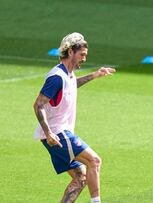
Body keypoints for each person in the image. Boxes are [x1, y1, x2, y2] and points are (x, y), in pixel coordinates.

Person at [33, 32, 116, 203]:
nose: (84, 59)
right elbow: (38, 105)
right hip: (57, 133)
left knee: (81, 177)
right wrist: (49, 133)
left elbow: (72, 84)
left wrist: (95, 75)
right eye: (82, 54)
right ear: (70, 52)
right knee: (94, 161)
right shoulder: (56, 77)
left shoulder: (68, 75)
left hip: (57, 133)